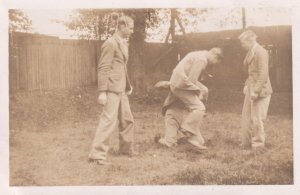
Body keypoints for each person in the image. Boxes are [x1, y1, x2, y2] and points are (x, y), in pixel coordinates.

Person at [88, 14, 137, 165]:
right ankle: (97, 155)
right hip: (111, 89)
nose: (132, 31)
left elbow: (121, 67)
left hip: (121, 89)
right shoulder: (110, 43)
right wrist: (102, 92)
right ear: (122, 27)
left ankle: (126, 149)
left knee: (127, 120)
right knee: (108, 121)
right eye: (130, 27)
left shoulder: (123, 43)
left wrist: (127, 86)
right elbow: (103, 68)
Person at [155, 48, 224, 151]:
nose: (214, 64)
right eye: (216, 61)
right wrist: (199, 92)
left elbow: (188, 77)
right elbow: (192, 80)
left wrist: (202, 91)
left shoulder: (197, 54)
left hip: (179, 86)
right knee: (199, 108)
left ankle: (179, 137)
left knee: (198, 139)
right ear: (214, 55)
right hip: (180, 88)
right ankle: (186, 130)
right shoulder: (202, 59)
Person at [239, 30, 272, 149]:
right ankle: (245, 143)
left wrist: (256, 91)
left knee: (257, 119)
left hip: (261, 90)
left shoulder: (261, 52)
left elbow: (263, 74)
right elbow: (251, 72)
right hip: (251, 88)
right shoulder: (250, 52)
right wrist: (247, 85)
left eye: (243, 43)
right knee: (246, 117)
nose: (242, 46)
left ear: (251, 40)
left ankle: (258, 145)